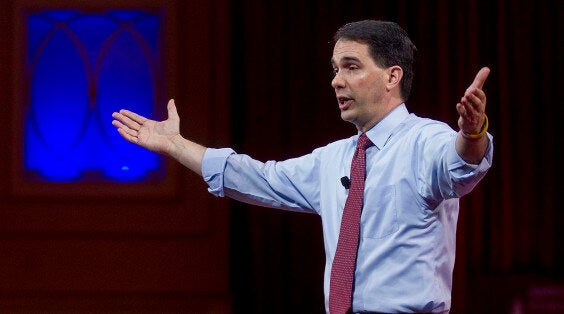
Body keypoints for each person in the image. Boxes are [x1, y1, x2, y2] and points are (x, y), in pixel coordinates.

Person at [112, 20, 493, 314]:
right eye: (334, 68)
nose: (336, 81)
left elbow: (460, 165)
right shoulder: (334, 159)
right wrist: (175, 145)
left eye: (351, 67)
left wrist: (474, 133)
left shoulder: (424, 141)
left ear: (392, 76)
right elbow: (257, 178)